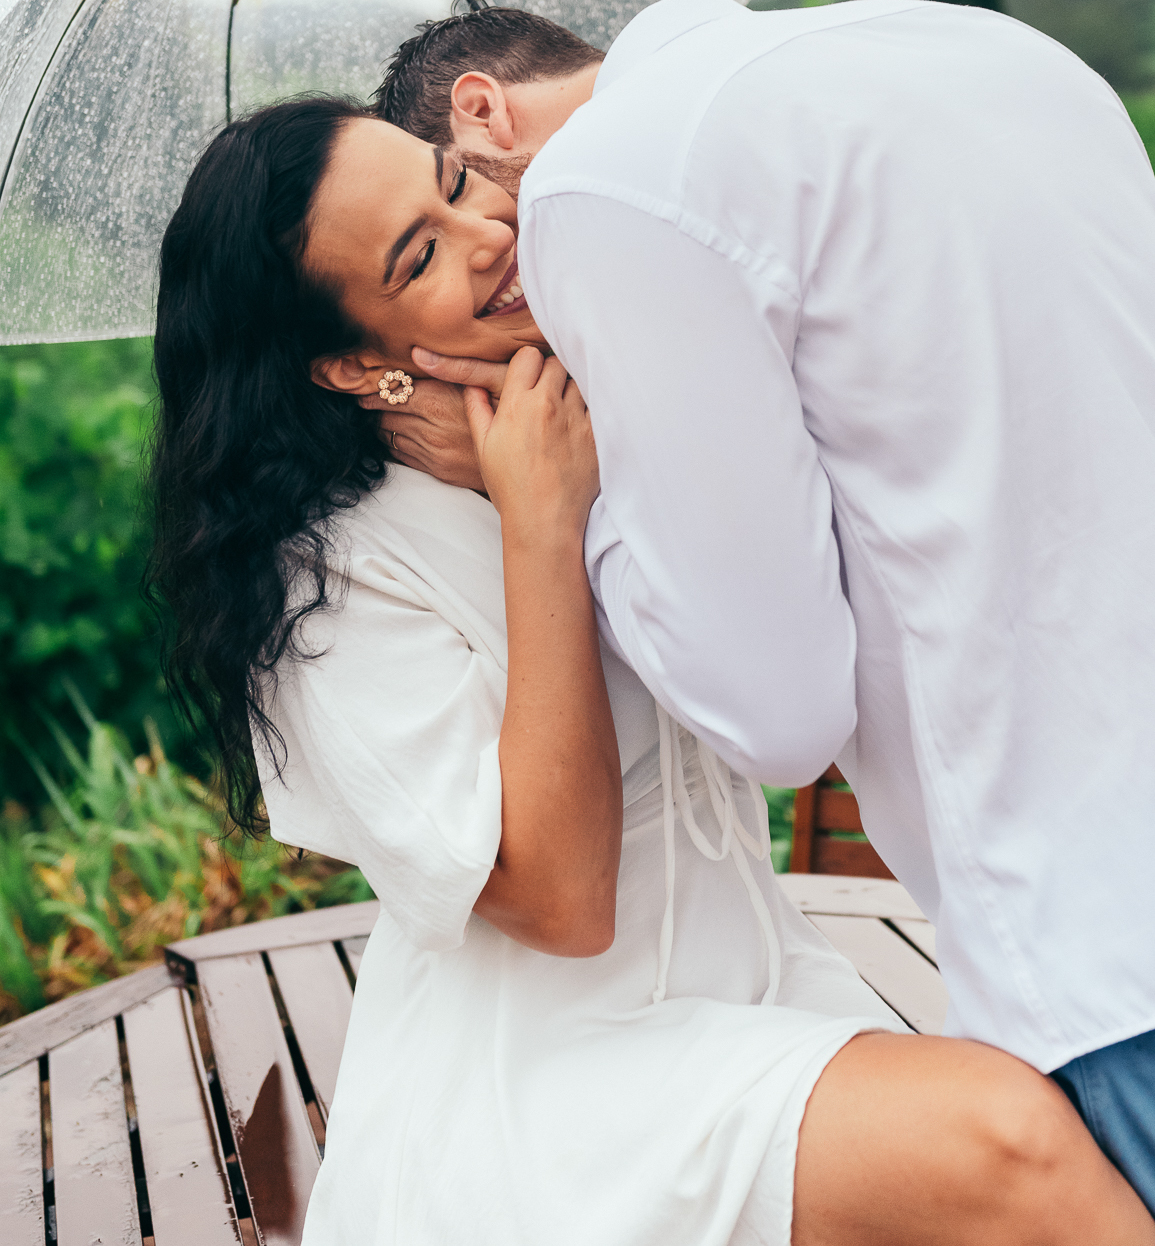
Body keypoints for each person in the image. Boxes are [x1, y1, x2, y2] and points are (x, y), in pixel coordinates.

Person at [148, 93, 1153, 1246]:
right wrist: (539, 523)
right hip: (556, 1096)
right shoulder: (334, 578)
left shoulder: (609, 409)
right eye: (420, 255)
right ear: (346, 361)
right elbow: (561, 900)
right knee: (1011, 1142)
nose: (489, 232)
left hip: (761, 996)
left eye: (457, 181)